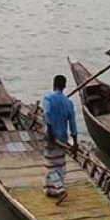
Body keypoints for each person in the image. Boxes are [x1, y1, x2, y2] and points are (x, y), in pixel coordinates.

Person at [42, 74, 78, 203]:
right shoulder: (68, 103)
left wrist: (50, 131)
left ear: (54, 85)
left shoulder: (48, 98)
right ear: (64, 86)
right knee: (59, 163)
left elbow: (46, 113)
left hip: (50, 137)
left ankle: (60, 189)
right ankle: (51, 189)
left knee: (50, 165)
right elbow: (73, 123)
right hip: (63, 137)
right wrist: (75, 143)